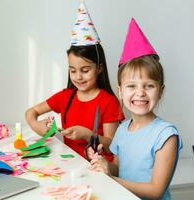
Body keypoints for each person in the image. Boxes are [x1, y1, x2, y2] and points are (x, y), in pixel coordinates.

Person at [88, 18, 183, 200]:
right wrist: (105, 165)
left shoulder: (166, 135)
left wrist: (111, 178)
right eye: (131, 86)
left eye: (149, 86)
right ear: (121, 91)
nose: (140, 93)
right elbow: (119, 168)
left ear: (161, 91)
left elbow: (155, 191)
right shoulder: (122, 128)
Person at [25, 1, 124, 160]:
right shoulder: (65, 97)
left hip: (98, 168)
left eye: (85, 70)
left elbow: (113, 146)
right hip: (70, 165)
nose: (78, 76)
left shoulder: (108, 102)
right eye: (72, 70)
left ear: (99, 68)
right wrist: (35, 124)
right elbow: (31, 112)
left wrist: (88, 135)